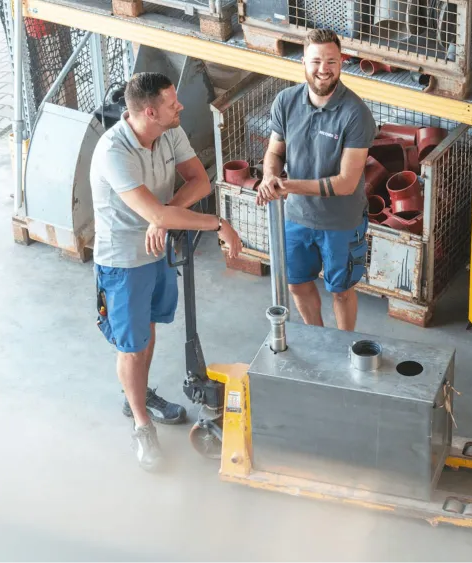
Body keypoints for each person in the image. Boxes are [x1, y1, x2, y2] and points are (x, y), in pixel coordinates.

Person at [89, 72, 243, 472]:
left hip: (156, 251)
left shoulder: (168, 132)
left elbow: (199, 181)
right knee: (131, 345)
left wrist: (165, 217)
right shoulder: (114, 152)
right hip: (123, 262)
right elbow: (157, 212)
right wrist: (215, 225)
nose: (181, 107)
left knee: (150, 329)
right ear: (150, 111)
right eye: (173, 103)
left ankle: (135, 395)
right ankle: (142, 424)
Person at [255, 28, 377, 332]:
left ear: (341, 63)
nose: (324, 69)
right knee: (296, 284)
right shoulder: (286, 101)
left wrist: (288, 186)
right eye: (316, 61)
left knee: (341, 291)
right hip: (297, 218)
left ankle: (343, 345)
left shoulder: (355, 114)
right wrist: (270, 176)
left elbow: (347, 183)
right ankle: (319, 339)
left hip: (341, 223)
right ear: (304, 63)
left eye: (332, 62)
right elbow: (275, 150)